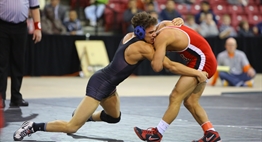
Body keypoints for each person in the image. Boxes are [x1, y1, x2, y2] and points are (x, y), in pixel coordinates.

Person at [13, 12, 208, 141]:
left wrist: (174, 22)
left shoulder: (132, 36)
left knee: (113, 118)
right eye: (151, 33)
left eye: (156, 31)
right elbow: (170, 65)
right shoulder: (142, 47)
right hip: (99, 86)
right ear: (140, 32)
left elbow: (159, 27)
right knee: (72, 127)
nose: (155, 35)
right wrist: (196, 72)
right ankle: (32, 126)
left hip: (109, 86)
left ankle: (87, 116)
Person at [134, 20, 222, 142]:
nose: (153, 36)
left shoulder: (160, 37)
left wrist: (150, 51)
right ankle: (211, 133)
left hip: (203, 61)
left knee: (175, 96)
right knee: (191, 102)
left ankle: (157, 133)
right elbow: (177, 21)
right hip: (205, 58)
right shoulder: (165, 24)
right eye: (148, 35)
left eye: (152, 32)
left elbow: (161, 67)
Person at [0, 0, 42, 108]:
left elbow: (35, 7)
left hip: (21, 27)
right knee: (1, 63)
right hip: (2, 26)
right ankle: (1, 97)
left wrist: (38, 28)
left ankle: (16, 97)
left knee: (18, 63)